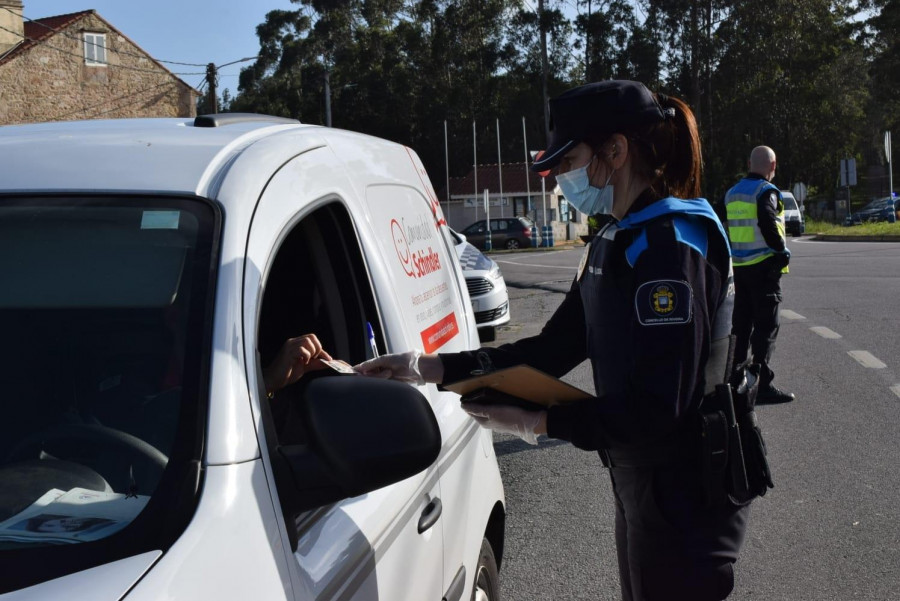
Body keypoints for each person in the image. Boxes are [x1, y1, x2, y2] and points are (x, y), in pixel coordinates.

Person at [356, 80, 749, 601]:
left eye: (569, 164)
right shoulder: (616, 238)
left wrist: (537, 421)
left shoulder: (669, 246)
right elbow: (551, 349)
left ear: (616, 151)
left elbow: (658, 409)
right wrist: (428, 367)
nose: (563, 180)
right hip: (638, 473)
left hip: (685, 485)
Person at [724, 146, 794, 404]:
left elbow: (721, 226)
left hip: (739, 268)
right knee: (766, 328)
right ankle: (761, 385)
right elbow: (766, 219)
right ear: (772, 165)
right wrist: (780, 250)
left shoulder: (731, 193)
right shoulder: (766, 191)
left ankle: (735, 382)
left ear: (749, 163)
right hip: (764, 268)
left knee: (740, 328)